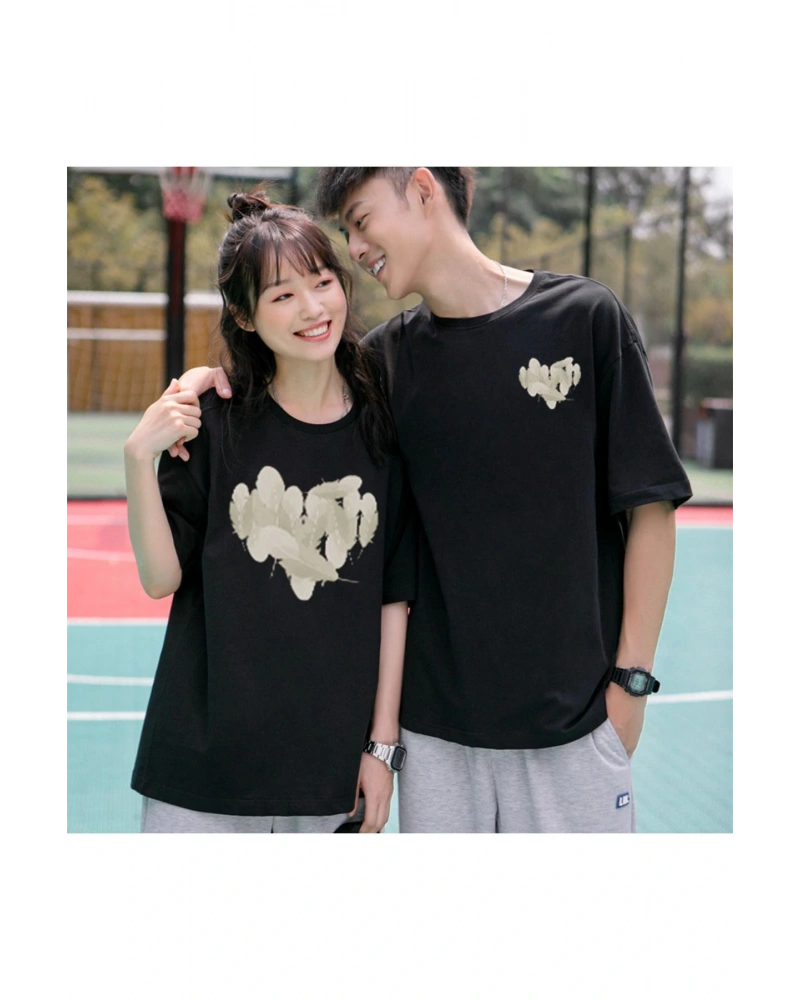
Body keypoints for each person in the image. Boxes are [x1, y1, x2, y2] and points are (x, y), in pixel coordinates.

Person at [178, 169, 693, 833]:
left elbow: (650, 509)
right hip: (436, 742)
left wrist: (631, 684)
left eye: (361, 221)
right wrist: (203, 383)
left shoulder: (584, 318)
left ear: (422, 188)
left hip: (576, 726)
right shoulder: (384, 363)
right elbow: (288, 390)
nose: (355, 248)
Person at [125, 192, 414, 833]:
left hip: (328, 774)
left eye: (323, 281)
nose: (313, 308)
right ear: (245, 316)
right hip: (200, 774)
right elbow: (160, 578)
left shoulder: (384, 427)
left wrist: (381, 748)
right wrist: (137, 458)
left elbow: (394, 597)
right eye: (283, 295)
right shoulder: (214, 422)